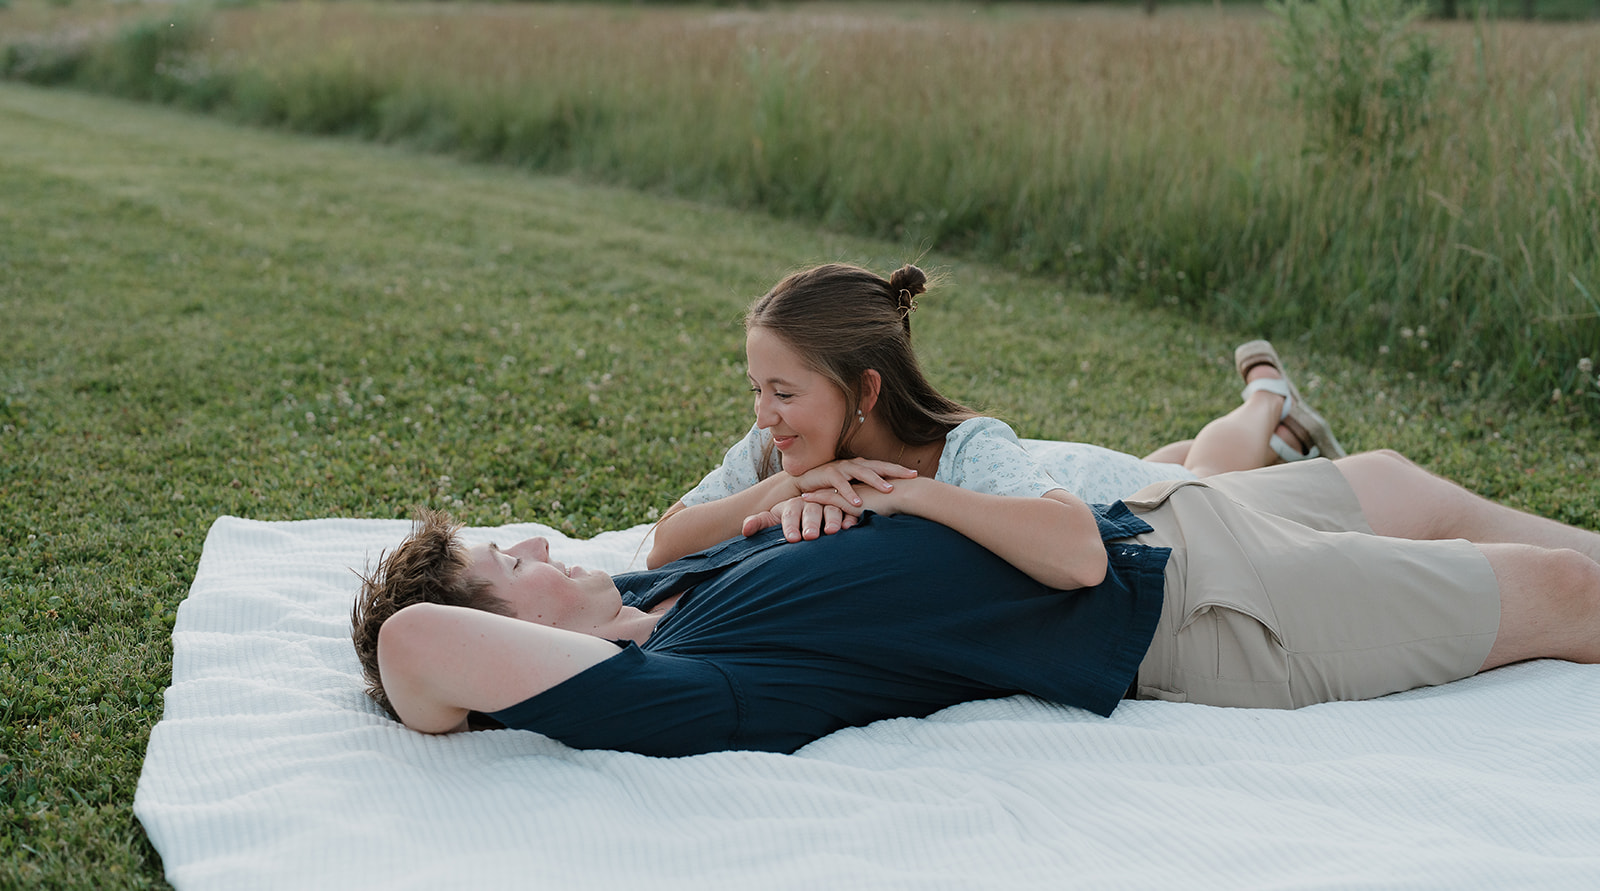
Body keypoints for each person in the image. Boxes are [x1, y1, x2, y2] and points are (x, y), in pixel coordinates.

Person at [351, 449, 1600, 756]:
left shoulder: (655, 594)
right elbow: (416, 650)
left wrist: (816, 498)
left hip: (1158, 521)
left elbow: (682, 537)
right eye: (499, 562)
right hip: (1204, 614)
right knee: (1567, 591)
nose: (529, 541)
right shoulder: (687, 685)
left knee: (1401, 481)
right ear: (507, 631)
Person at [646, 262, 1343, 569]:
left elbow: (1078, 548)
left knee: (1206, 475)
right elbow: (666, 542)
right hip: (1046, 462)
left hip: (1107, 491)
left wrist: (908, 494)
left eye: (784, 392)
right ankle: (1277, 427)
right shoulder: (776, 451)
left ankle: (1267, 398)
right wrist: (786, 487)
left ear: (864, 391)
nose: (764, 414)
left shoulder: (966, 449)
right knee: (1181, 458)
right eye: (755, 387)